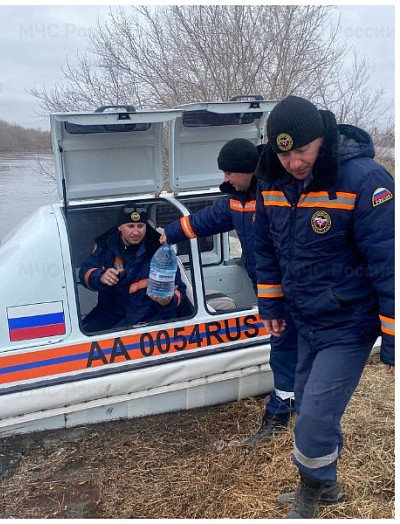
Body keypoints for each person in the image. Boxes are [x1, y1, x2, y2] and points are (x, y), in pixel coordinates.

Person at [253, 95, 394, 518]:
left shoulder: (365, 180)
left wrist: (393, 341)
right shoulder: (272, 182)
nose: (293, 163)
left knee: (313, 416)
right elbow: (265, 248)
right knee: (311, 406)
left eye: (302, 151)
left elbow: (388, 264)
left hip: (349, 323)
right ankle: (325, 482)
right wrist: (272, 306)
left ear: (323, 140)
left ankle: (313, 494)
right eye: (283, 153)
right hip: (303, 318)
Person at [159, 138, 298, 445]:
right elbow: (208, 219)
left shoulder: (275, 194)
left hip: (289, 286)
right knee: (287, 343)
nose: (225, 179)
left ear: (248, 171)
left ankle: (281, 412)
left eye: (230, 173)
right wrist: (169, 234)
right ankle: (294, 401)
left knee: (284, 344)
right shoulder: (237, 199)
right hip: (268, 285)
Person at [79, 205, 188, 332]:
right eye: (130, 226)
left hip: (152, 317)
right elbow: (84, 273)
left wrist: (168, 301)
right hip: (114, 312)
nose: (136, 232)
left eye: (140, 226)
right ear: (119, 227)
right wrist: (100, 276)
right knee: (85, 333)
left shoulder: (159, 250)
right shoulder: (106, 246)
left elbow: (180, 289)